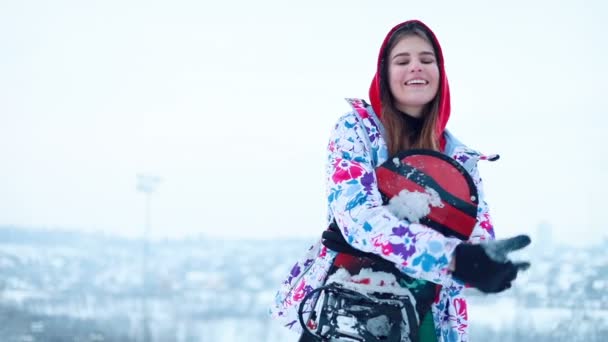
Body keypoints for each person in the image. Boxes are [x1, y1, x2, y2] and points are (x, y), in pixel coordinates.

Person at [270, 19, 530, 342]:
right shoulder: (355, 131)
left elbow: (473, 241)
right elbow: (360, 219)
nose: (415, 68)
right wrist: (450, 257)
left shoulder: (461, 160)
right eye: (402, 61)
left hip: (425, 320)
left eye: (426, 59)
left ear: (440, 72)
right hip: (351, 310)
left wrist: (482, 265)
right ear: (385, 76)